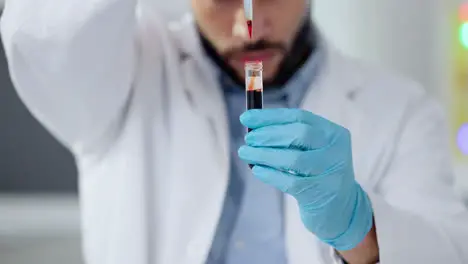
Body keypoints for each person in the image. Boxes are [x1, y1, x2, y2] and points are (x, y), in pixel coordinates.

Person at [1, 0, 468, 263]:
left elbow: (448, 253)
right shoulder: (123, 71)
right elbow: (41, 34)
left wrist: (360, 228)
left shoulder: (401, 108)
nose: (251, 29)